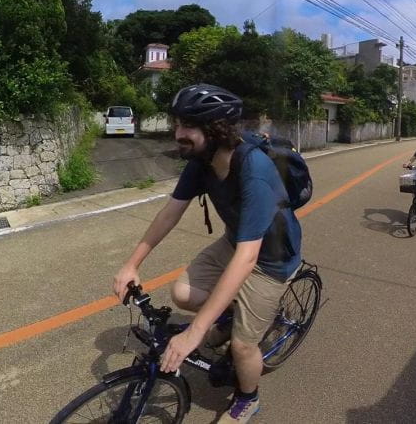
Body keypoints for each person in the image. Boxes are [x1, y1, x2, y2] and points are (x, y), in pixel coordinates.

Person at [113, 84, 302, 424]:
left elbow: (247, 258)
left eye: (188, 126)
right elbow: (170, 212)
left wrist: (195, 331)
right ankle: (232, 314)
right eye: (178, 123)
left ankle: (248, 399)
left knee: (244, 347)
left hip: (271, 256)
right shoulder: (201, 160)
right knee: (182, 291)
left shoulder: (254, 169)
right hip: (236, 240)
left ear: (215, 131)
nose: (178, 133)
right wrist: (131, 264)